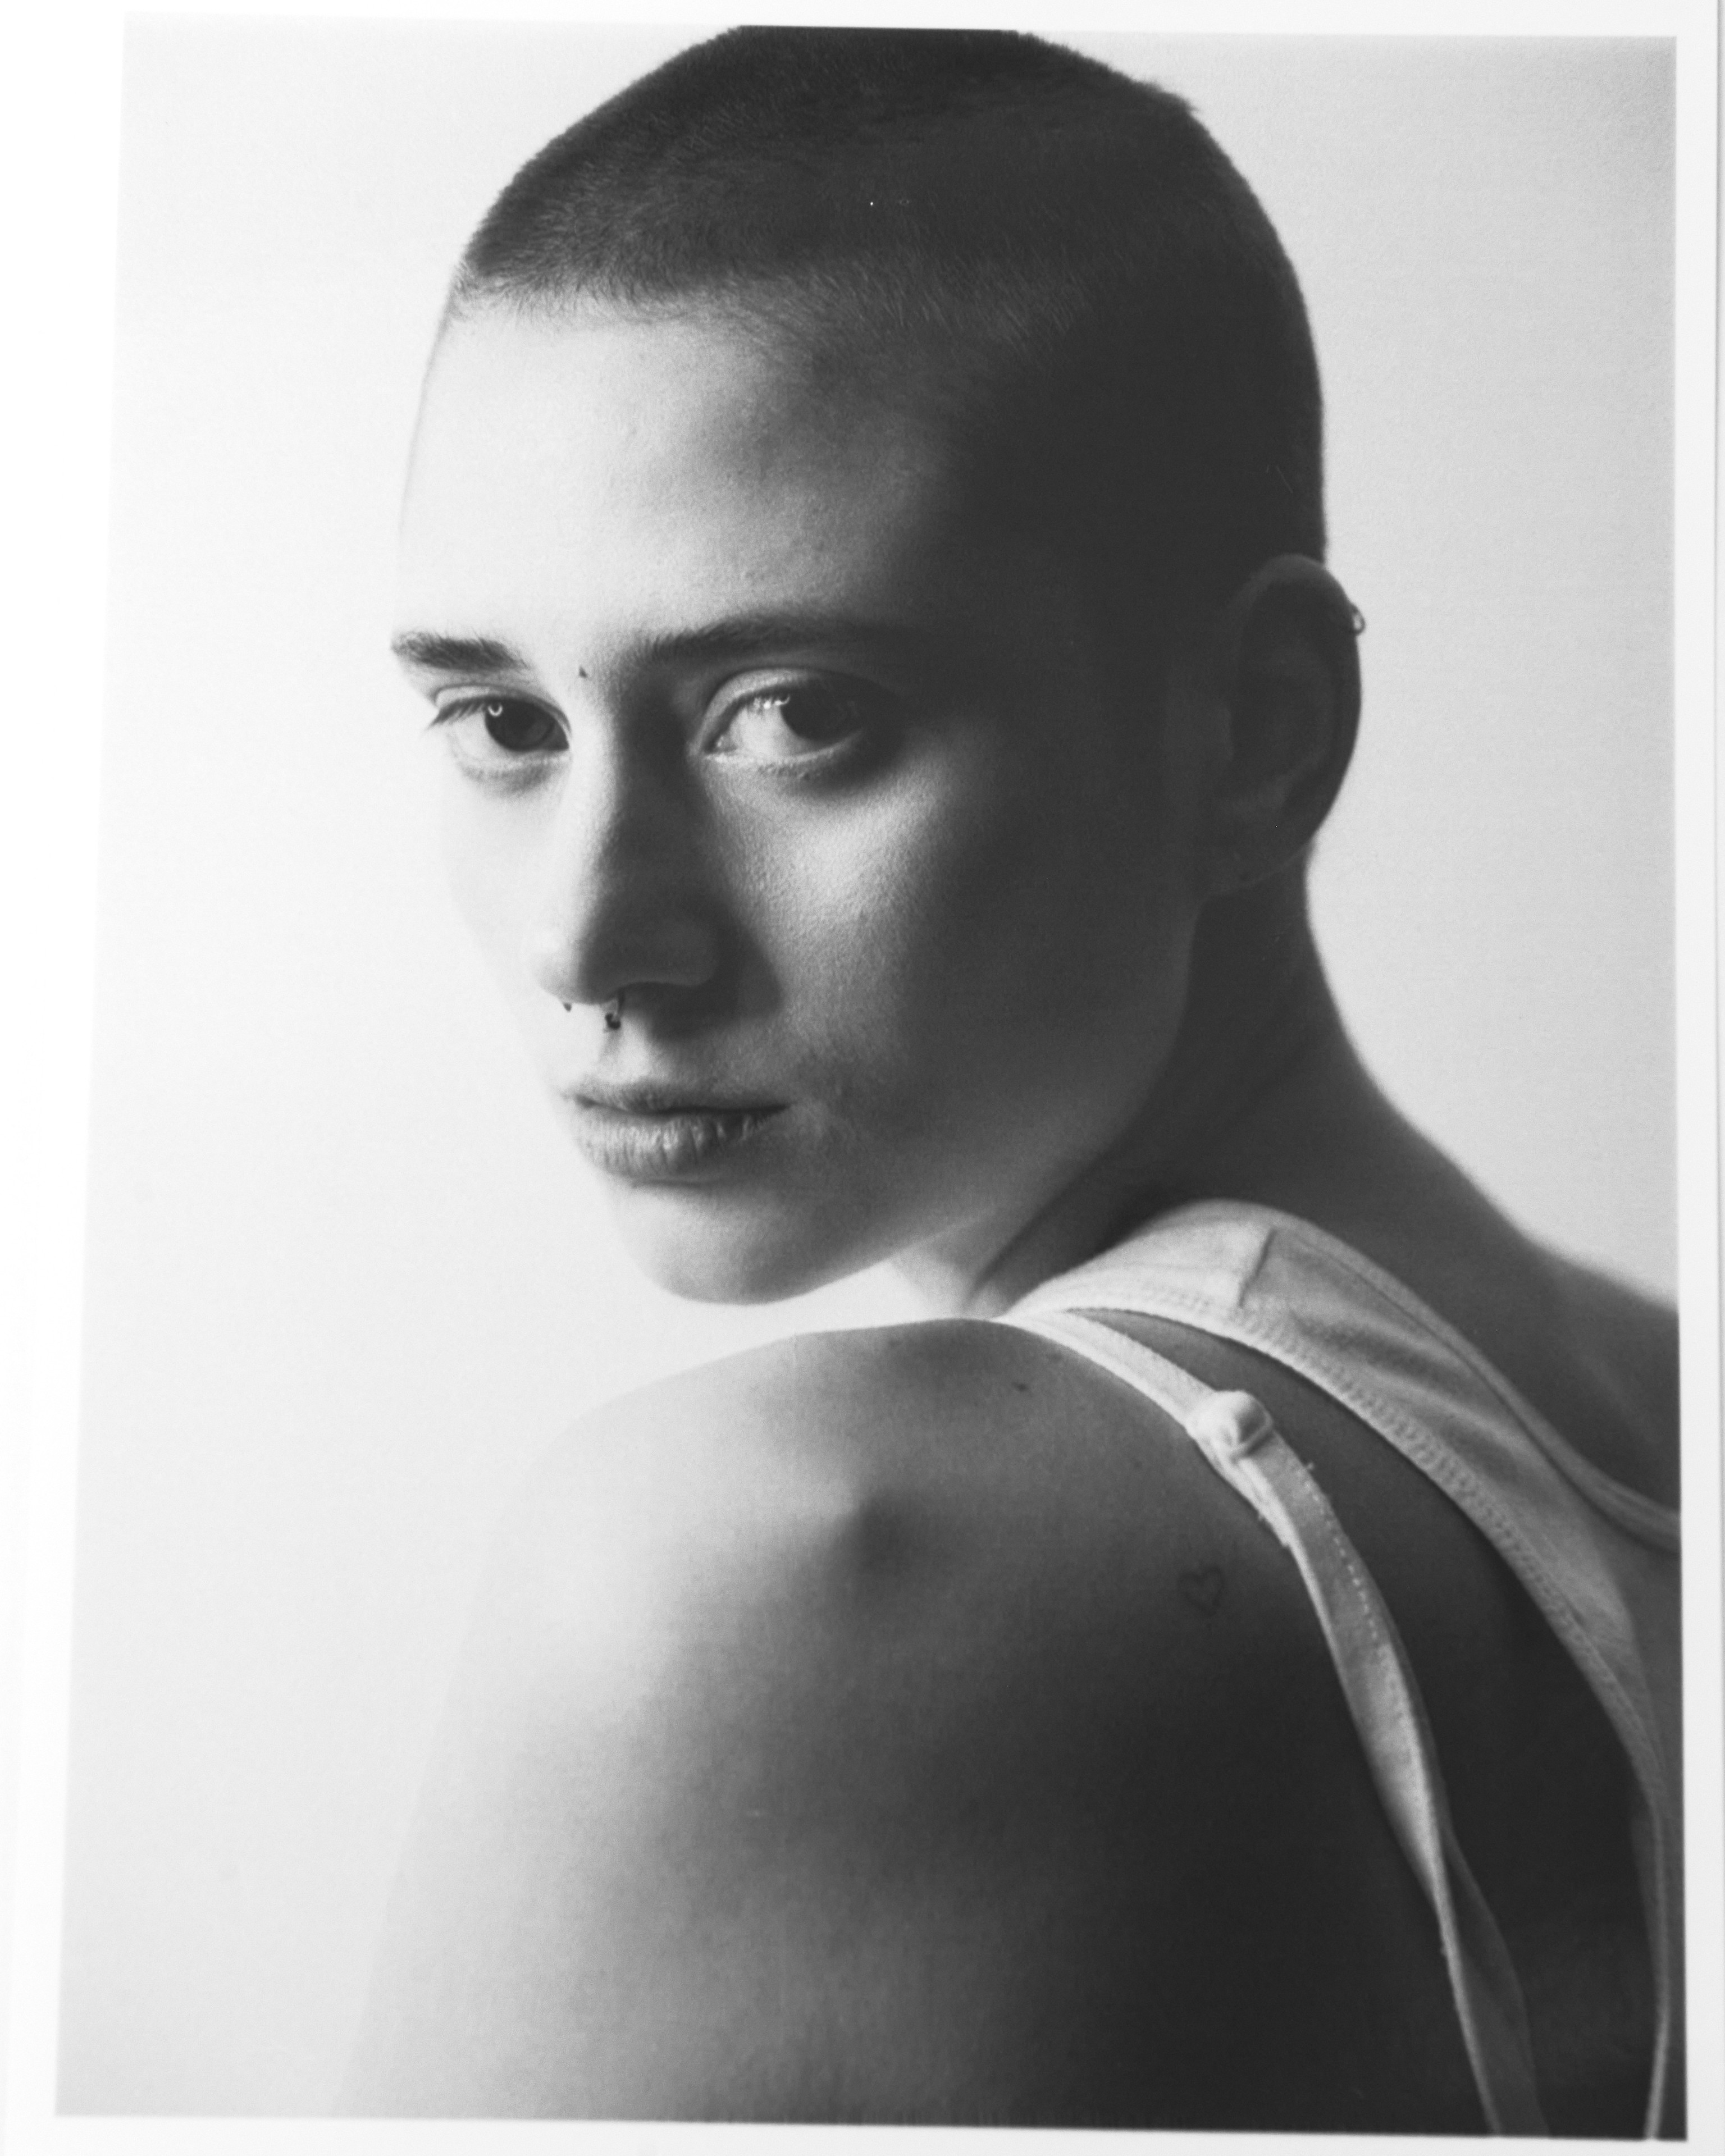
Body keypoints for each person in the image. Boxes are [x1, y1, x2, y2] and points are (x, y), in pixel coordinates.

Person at [344, 26, 1681, 2135]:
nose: (592, 942)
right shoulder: (1657, 1398)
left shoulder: (782, 1567)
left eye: (792, 712)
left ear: (1256, 731)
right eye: (504, 725)